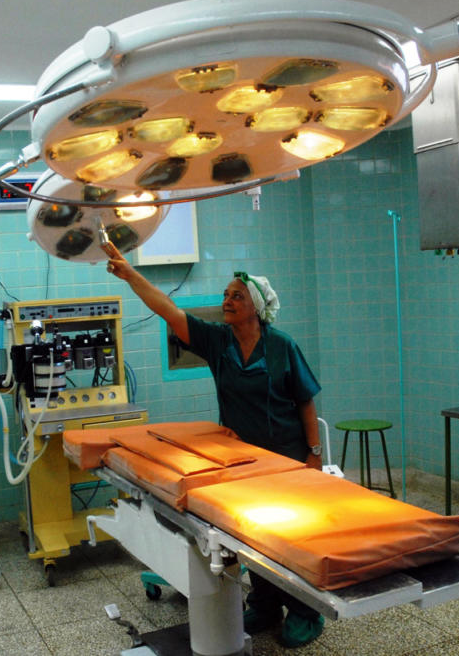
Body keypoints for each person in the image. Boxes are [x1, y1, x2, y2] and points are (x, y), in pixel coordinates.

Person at [103, 242, 325, 649]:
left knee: (293, 539)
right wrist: (130, 274)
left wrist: (313, 453)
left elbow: (306, 400)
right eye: (224, 295)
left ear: (255, 307)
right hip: (242, 460)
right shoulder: (217, 342)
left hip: (288, 458)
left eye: (235, 296)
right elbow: (167, 311)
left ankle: (306, 613)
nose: (226, 301)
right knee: (252, 535)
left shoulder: (282, 346)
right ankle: (264, 603)